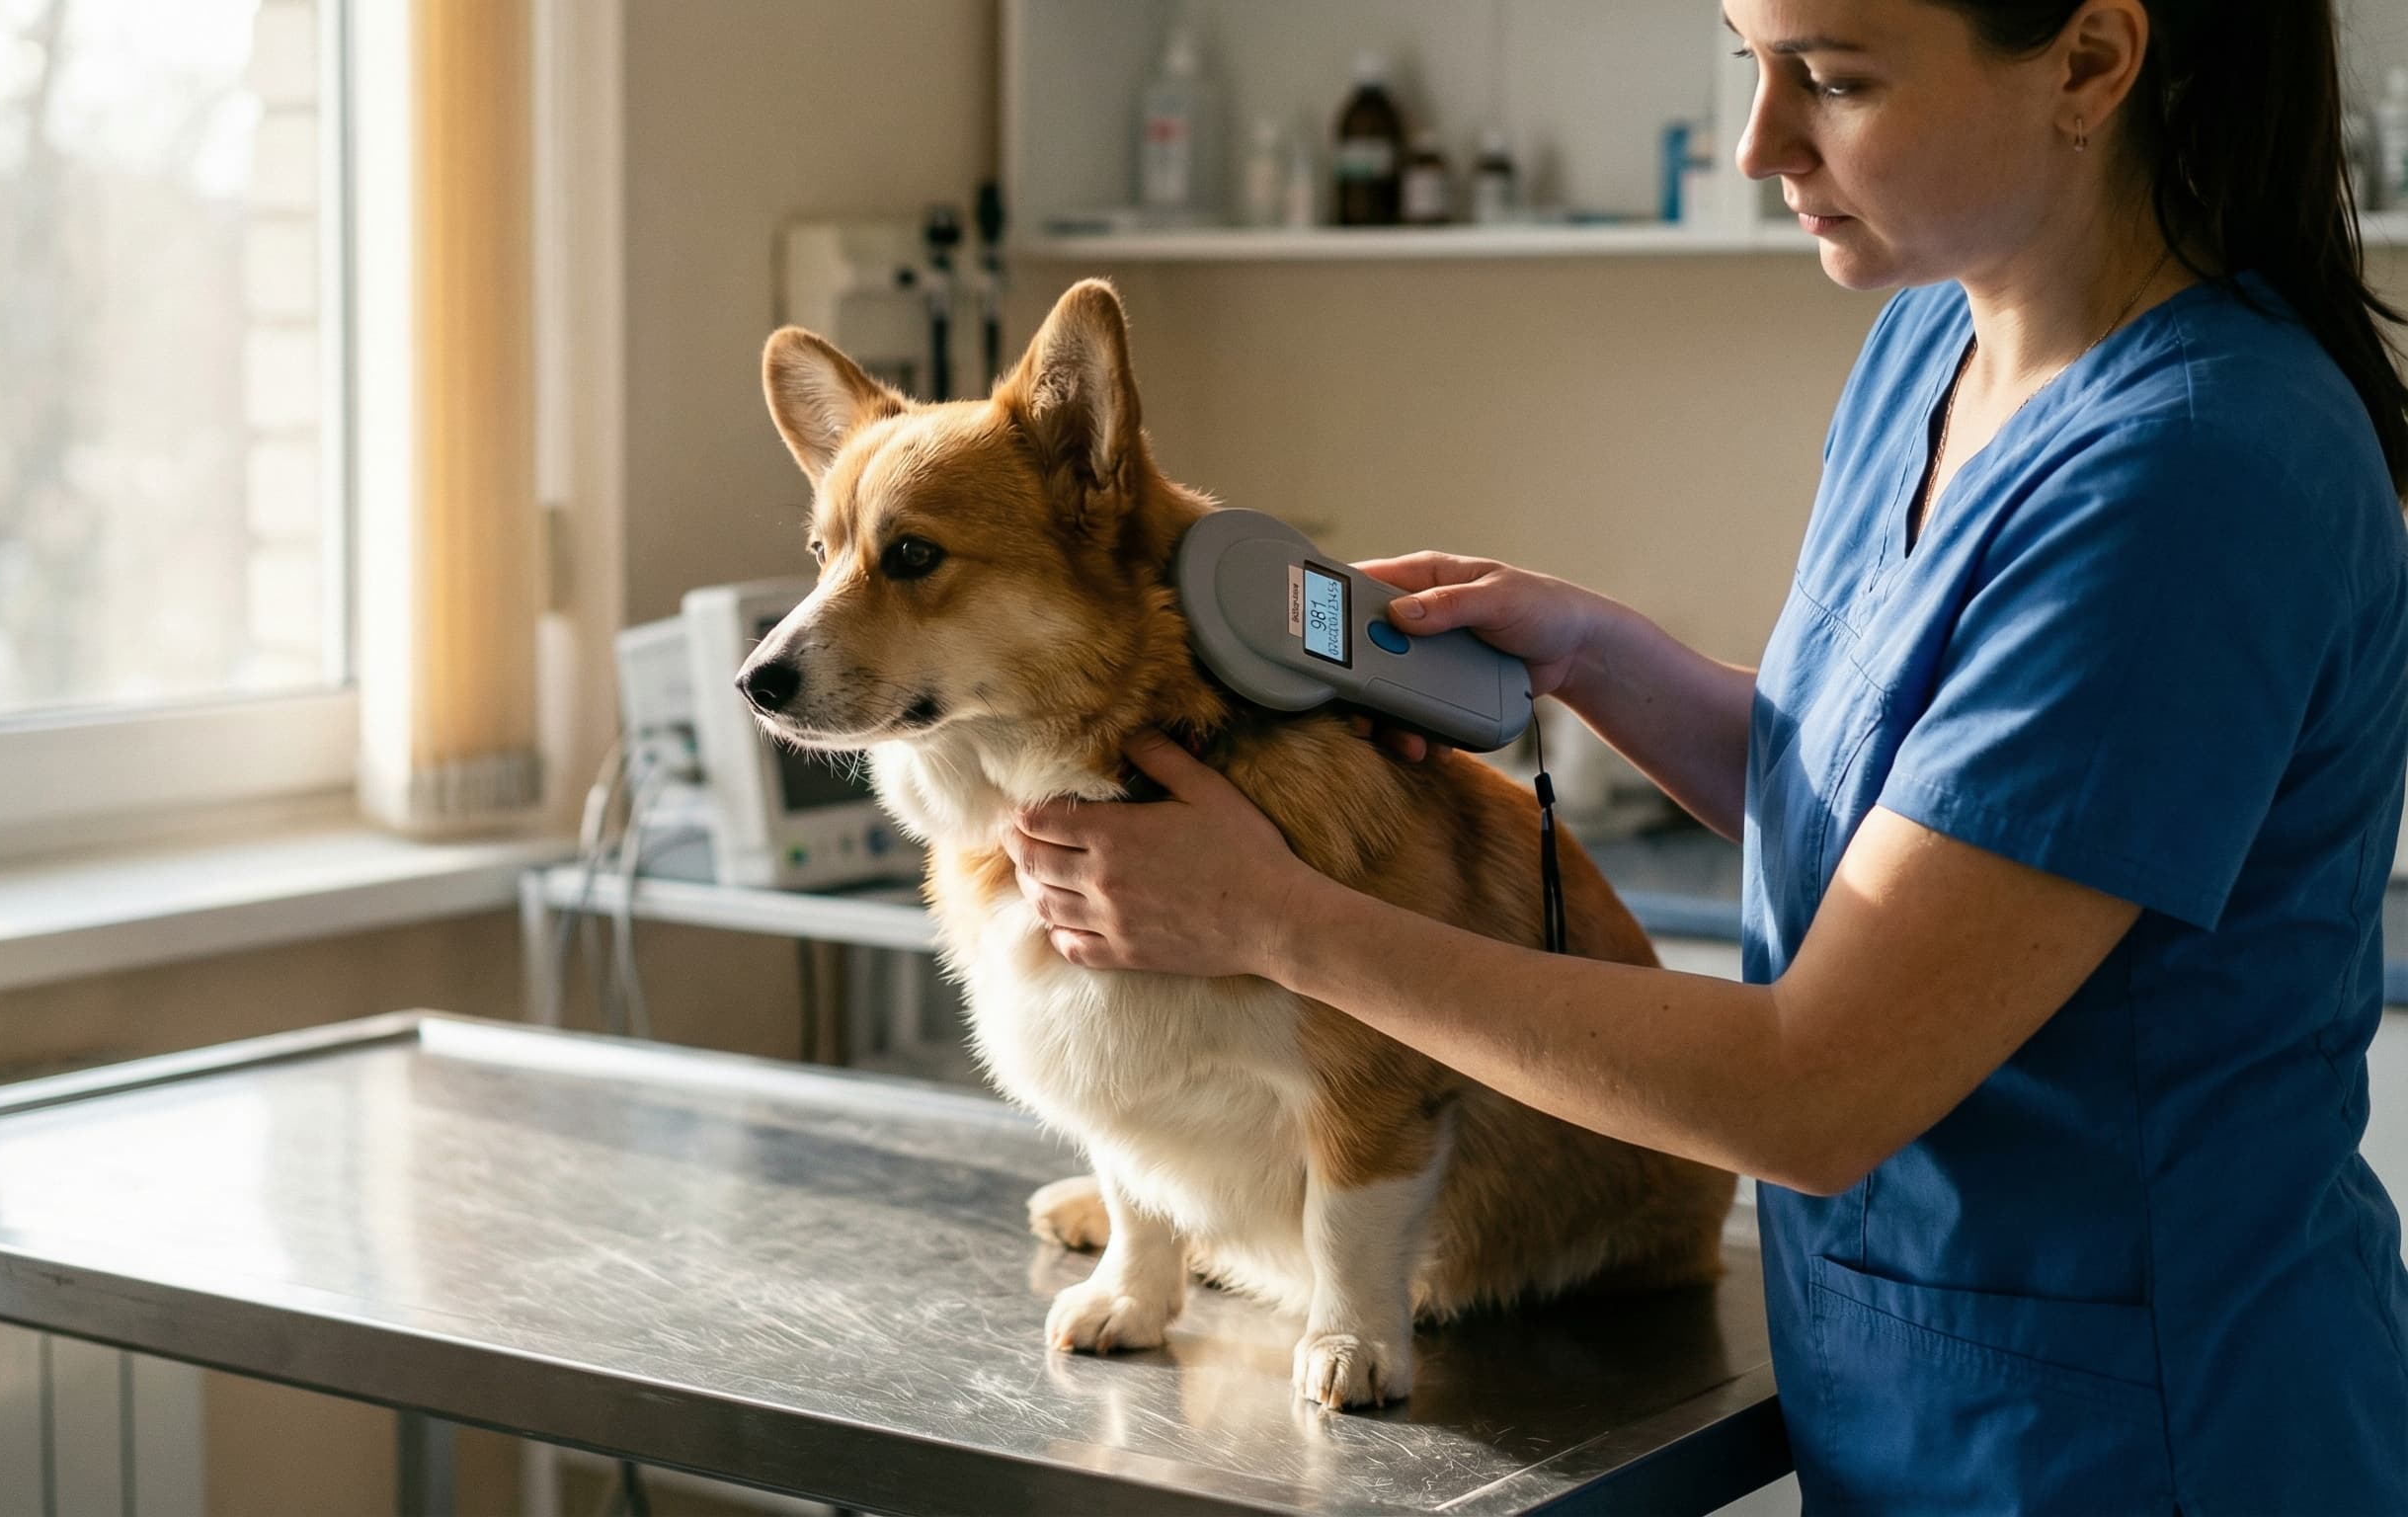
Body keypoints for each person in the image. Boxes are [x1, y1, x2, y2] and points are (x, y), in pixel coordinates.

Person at [1001, 1, 2408, 1510]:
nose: (1760, 146)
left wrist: (1275, 923)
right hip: (1916, 1390)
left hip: (2140, 1437)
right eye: (1753, 63)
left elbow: (1815, 1091)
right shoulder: (1933, 344)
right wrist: (1607, 660)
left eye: (1836, 79)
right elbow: (1903, 824)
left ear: (2089, 62)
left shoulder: (2190, 475)